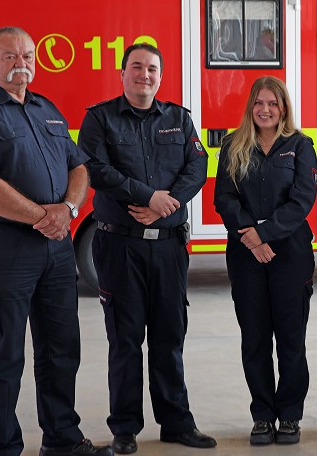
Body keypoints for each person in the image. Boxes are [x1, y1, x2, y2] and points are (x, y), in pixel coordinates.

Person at [0, 26, 111, 456]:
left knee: (61, 350)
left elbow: (79, 166)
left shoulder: (46, 108)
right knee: (5, 356)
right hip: (3, 248)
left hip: (55, 251)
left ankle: (61, 440)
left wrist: (69, 211)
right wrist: (43, 216)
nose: (21, 63)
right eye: (9, 56)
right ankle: (4, 447)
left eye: (28, 55)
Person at [77, 43, 214, 453]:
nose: (145, 75)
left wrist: (167, 202)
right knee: (125, 339)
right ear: (122, 74)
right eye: (136, 67)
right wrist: (147, 196)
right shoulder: (99, 118)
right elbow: (96, 169)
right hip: (120, 246)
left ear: (161, 75)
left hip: (169, 246)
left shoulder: (179, 118)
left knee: (170, 337)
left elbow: (198, 165)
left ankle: (175, 422)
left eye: (152, 68)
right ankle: (124, 428)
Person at [214, 76, 317, 446]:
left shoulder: (301, 146)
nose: (265, 109)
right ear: (250, 108)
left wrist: (265, 233)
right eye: (259, 103)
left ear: (284, 107)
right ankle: (262, 415)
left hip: (289, 252)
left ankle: (289, 415)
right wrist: (249, 235)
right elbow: (223, 198)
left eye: (273, 103)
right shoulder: (233, 144)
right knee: (255, 337)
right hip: (245, 253)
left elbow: (303, 199)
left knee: (291, 337)